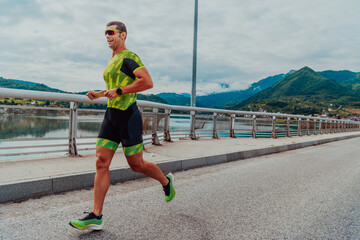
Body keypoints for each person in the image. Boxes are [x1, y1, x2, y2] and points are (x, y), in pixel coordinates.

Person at [69, 21, 175, 230]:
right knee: (101, 161)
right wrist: (100, 93)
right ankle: (96, 215)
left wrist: (119, 91)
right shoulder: (113, 60)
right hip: (111, 115)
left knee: (136, 165)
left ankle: (166, 181)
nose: (107, 36)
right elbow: (115, 87)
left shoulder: (129, 57)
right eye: (105, 33)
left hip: (128, 116)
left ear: (123, 35)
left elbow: (147, 82)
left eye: (111, 32)